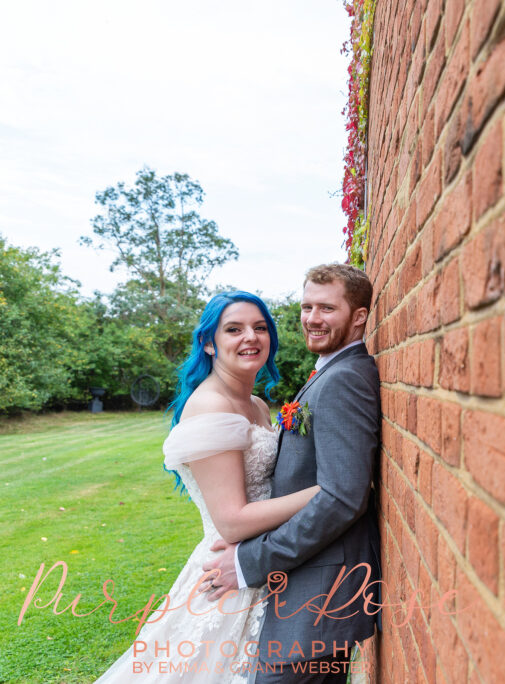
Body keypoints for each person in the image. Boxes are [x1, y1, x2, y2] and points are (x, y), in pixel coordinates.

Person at [96, 290, 320, 684]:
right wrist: (325, 492)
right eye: (234, 329)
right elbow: (232, 522)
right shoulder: (211, 406)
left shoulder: (256, 405)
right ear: (208, 343)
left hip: (263, 560)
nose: (250, 337)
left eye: (260, 327)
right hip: (230, 569)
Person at [202, 263, 382, 683]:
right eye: (306, 307)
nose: (312, 319)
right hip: (302, 590)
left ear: (359, 317)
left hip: (315, 599)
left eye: (326, 308)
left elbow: (341, 497)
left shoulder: (344, 380)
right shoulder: (328, 373)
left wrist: (248, 563)